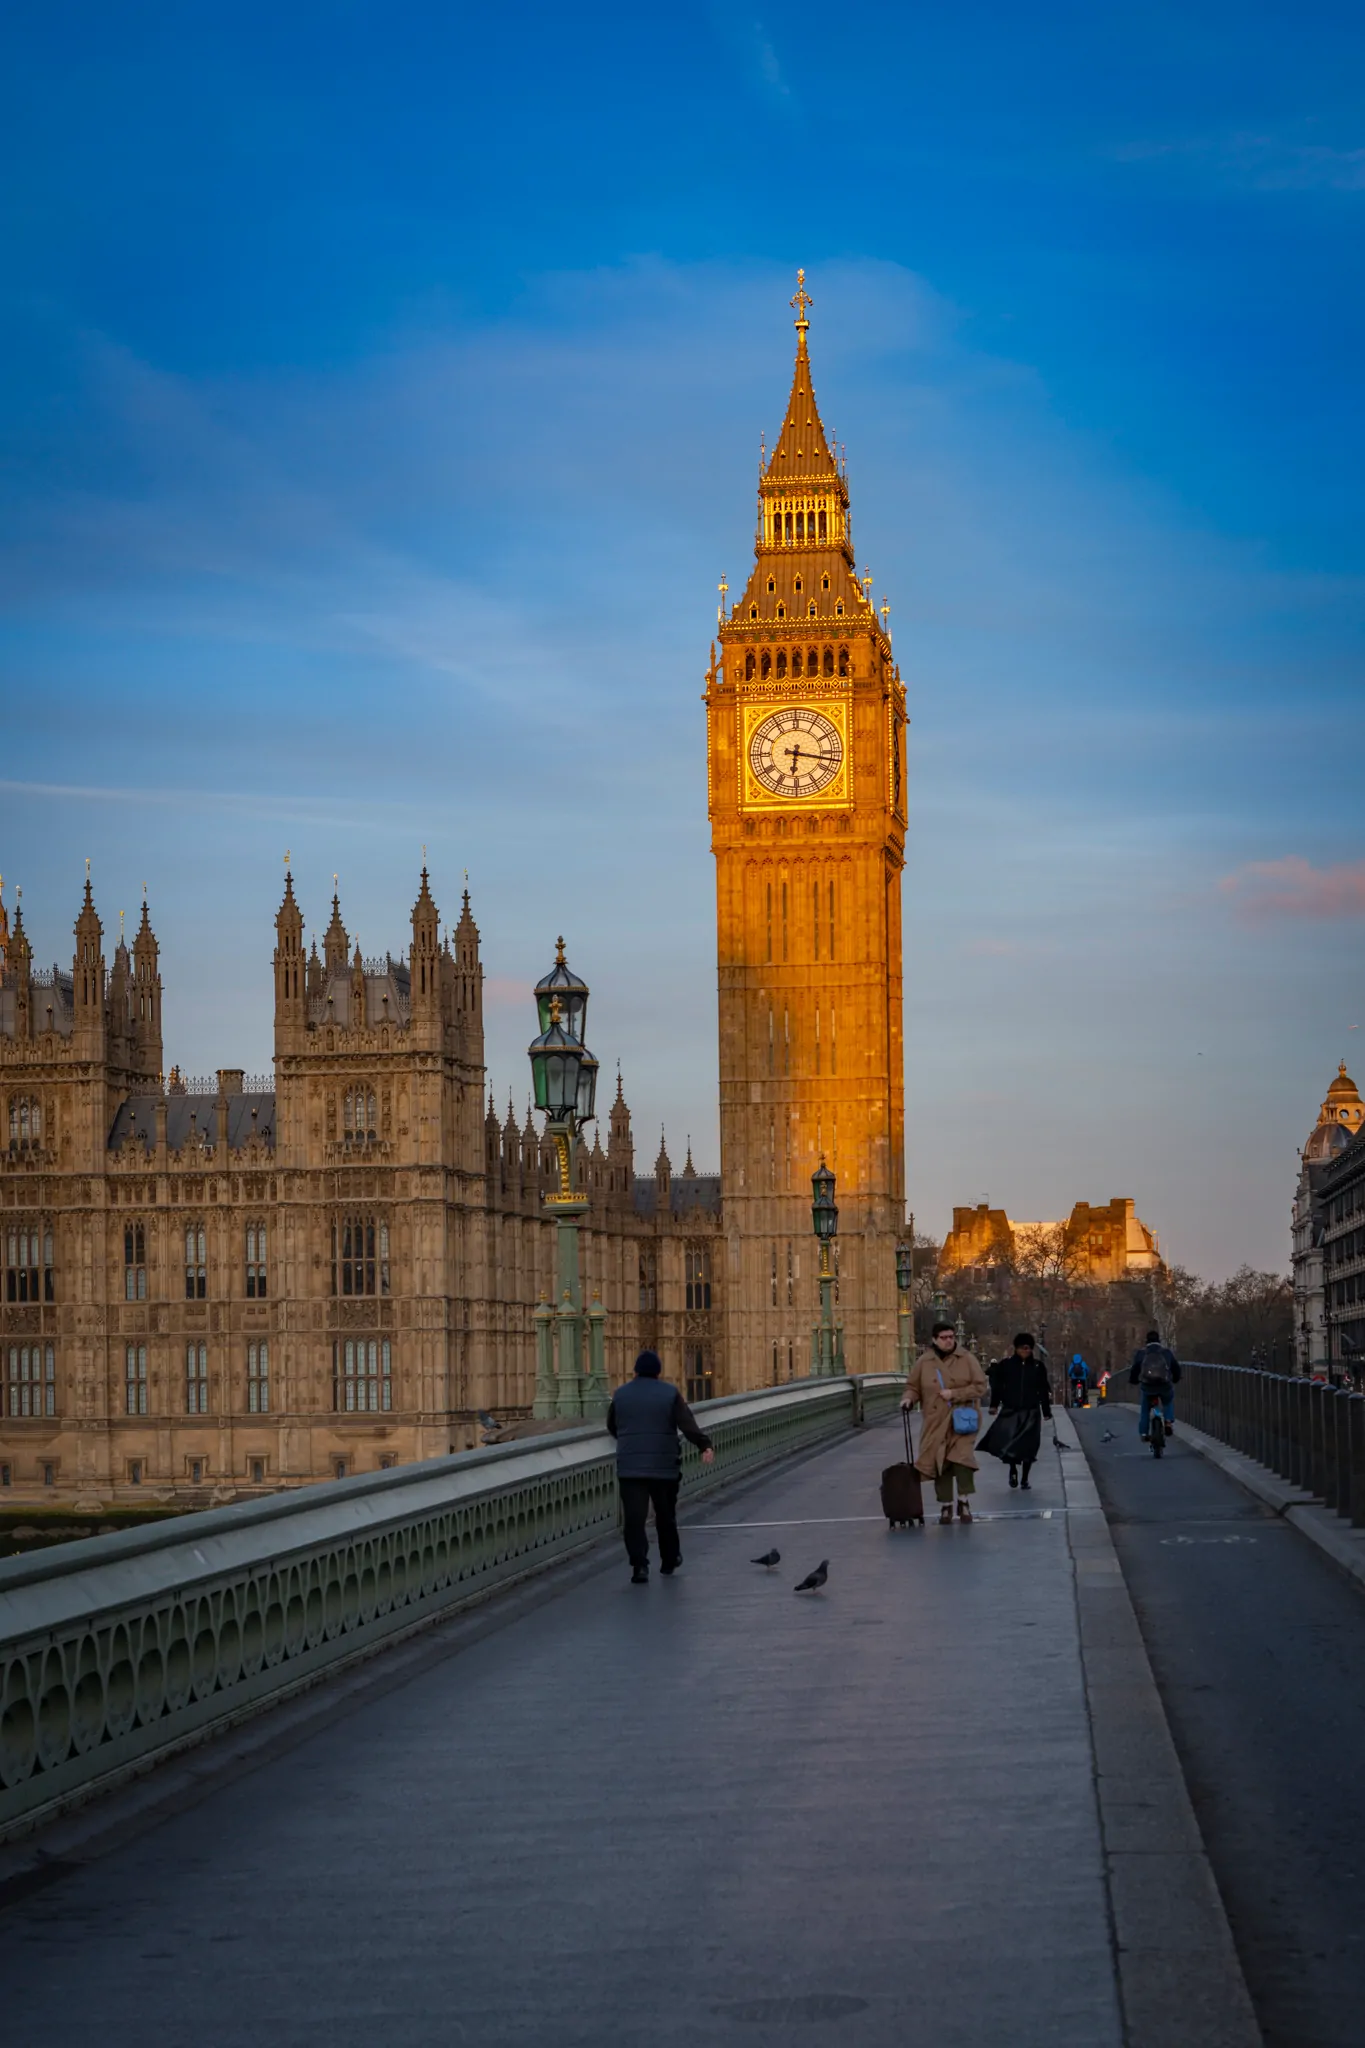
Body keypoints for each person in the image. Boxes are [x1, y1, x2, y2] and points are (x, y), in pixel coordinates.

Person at [606, 1349, 715, 1583]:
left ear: (635, 1371)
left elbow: (612, 1426)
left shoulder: (620, 1394)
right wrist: (704, 1444)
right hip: (664, 1466)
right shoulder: (669, 1393)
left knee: (634, 1520)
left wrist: (629, 1441)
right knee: (665, 1516)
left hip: (630, 1467)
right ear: (658, 1372)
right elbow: (687, 1424)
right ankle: (669, 1560)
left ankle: (639, 1566)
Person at [902, 1320, 988, 1524]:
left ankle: (963, 1501)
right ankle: (946, 1505)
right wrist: (908, 1398)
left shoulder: (967, 1358)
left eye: (951, 1337)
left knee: (963, 1460)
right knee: (941, 1462)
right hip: (936, 1420)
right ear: (934, 1340)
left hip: (962, 1418)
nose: (949, 1341)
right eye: (944, 1338)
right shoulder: (924, 1362)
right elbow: (913, 1386)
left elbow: (980, 1386)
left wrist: (955, 1394)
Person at [981, 1332, 1052, 1490]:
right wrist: (994, 1405)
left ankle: (1025, 1478)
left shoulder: (1038, 1367)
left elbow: (1042, 1389)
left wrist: (1046, 1411)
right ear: (1016, 1348)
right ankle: (1013, 1469)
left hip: (1031, 1410)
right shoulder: (1006, 1365)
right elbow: (998, 1387)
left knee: (1029, 1446)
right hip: (1011, 1409)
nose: (1025, 1351)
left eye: (1028, 1348)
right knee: (1011, 1443)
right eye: (1022, 1348)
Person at [1130, 1328, 1181, 1441]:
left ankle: (1143, 1432)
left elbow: (1135, 1370)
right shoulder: (1166, 1352)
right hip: (1164, 1385)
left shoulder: (1141, 1353)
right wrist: (1176, 1379)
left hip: (1148, 1387)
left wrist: (1133, 1380)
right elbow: (1176, 1368)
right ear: (1159, 1340)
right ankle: (1168, 1421)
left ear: (1146, 1341)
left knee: (1145, 1409)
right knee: (1168, 1400)